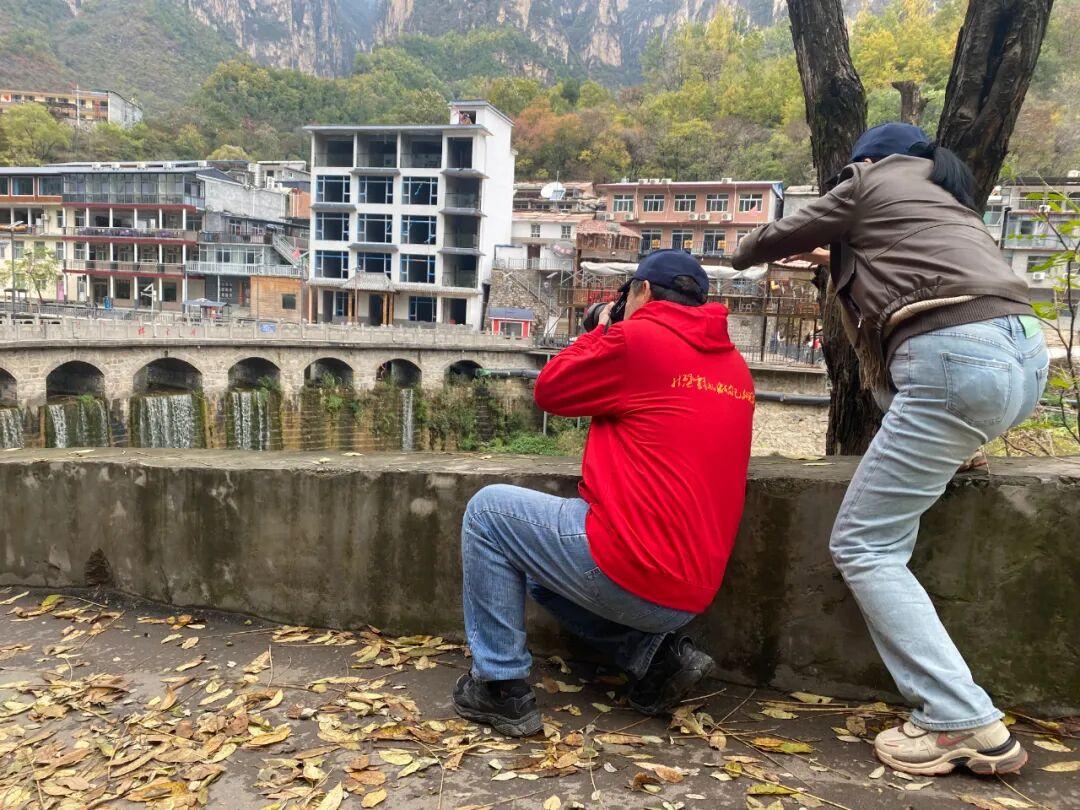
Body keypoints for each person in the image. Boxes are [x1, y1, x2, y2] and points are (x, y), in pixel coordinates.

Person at [732, 122, 1047, 777]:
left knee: (864, 545)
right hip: (1021, 362)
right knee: (906, 408)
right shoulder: (946, 196)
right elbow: (912, 267)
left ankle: (960, 719)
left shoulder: (872, 177)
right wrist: (838, 257)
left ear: (867, 160)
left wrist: (746, 248)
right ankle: (955, 447)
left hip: (956, 363)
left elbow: (764, 242)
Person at [452, 250, 755, 737]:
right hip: (690, 592)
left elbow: (550, 391)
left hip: (631, 570)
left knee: (488, 513)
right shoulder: (735, 368)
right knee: (538, 572)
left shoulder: (637, 339)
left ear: (644, 291)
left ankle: (499, 686)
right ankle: (655, 659)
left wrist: (600, 329)